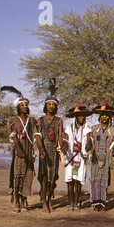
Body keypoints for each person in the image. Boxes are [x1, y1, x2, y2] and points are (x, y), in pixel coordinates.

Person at [1, 86, 43, 212]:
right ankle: (17, 201)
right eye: (22, 105)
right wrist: (18, 149)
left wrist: (41, 149)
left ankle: (25, 201)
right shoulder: (14, 120)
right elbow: (13, 136)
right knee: (18, 176)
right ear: (18, 107)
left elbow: (37, 135)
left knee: (28, 176)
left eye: (26, 105)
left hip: (29, 151)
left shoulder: (32, 121)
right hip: (19, 152)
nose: (24, 106)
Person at [37, 78, 66, 213]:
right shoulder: (39, 120)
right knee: (44, 178)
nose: (51, 107)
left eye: (53, 105)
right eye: (49, 104)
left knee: (52, 179)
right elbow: (38, 137)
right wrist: (41, 149)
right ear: (45, 106)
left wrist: (63, 147)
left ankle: (49, 200)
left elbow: (60, 136)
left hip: (54, 152)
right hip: (44, 152)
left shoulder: (59, 121)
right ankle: (44, 203)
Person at [88, 102, 114, 211]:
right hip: (95, 157)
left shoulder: (113, 130)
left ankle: (102, 202)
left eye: (107, 115)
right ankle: (95, 202)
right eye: (103, 115)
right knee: (95, 179)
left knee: (104, 179)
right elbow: (90, 142)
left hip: (106, 157)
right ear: (100, 117)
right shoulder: (94, 128)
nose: (104, 117)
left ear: (109, 117)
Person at [63, 102, 92, 211]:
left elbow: (89, 139)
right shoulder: (68, 128)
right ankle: (71, 203)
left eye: (83, 116)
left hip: (81, 157)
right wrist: (64, 145)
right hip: (70, 158)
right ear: (75, 117)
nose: (81, 117)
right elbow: (65, 139)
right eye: (79, 115)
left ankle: (76, 203)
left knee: (78, 181)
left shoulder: (87, 129)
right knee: (70, 181)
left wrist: (89, 143)